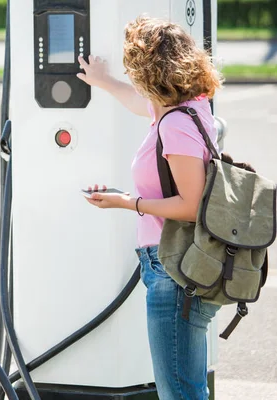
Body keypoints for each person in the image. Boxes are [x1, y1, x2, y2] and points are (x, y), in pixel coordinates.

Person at [78, 16, 224, 400]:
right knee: (186, 387)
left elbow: (192, 205)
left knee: (178, 391)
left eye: (133, 68)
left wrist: (127, 203)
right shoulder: (190, 107)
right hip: (175, 263)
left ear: (149, 70)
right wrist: (103, 81)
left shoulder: (175, 124)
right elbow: (139, 104)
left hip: (172, 268)